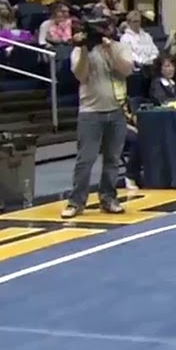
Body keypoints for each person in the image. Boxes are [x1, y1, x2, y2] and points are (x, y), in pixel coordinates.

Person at [61, 21, 134, 219]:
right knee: (85, 160)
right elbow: (80, 75)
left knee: (112, 159)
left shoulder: (121, 47)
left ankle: (108, 198)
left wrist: (109, 48)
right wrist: (84, 48)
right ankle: (76, 202)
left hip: (116, 111)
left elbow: (126, 69)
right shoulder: (80, 50)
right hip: (90, 112)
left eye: (105, 28)